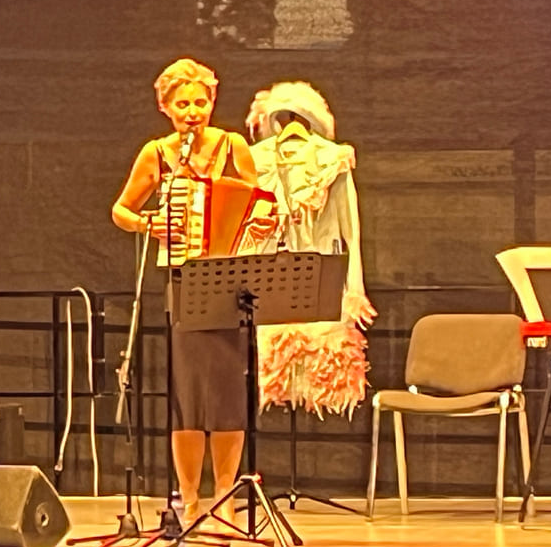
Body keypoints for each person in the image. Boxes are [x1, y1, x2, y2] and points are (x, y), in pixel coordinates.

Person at [111, 58, 272, 523]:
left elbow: (258, 202)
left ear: (213, 102)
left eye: (201, 101)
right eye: (183, 103)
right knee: (188, 395)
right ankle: (189, 497)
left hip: (231, 282)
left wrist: (260, 218)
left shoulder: (233, 146)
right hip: (183, 279)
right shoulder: (157, 154)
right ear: (165, 107)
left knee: (226, 394)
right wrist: (149, 223)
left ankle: (226, 495)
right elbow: (121, 209)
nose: (193, 111)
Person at [245, 81, 377, 416]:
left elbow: (351, 231)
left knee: (321, 363)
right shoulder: (254, 161)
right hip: (269, 276)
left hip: (322, 274)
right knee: (273, 362)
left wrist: (353, 289)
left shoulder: (333, 160)